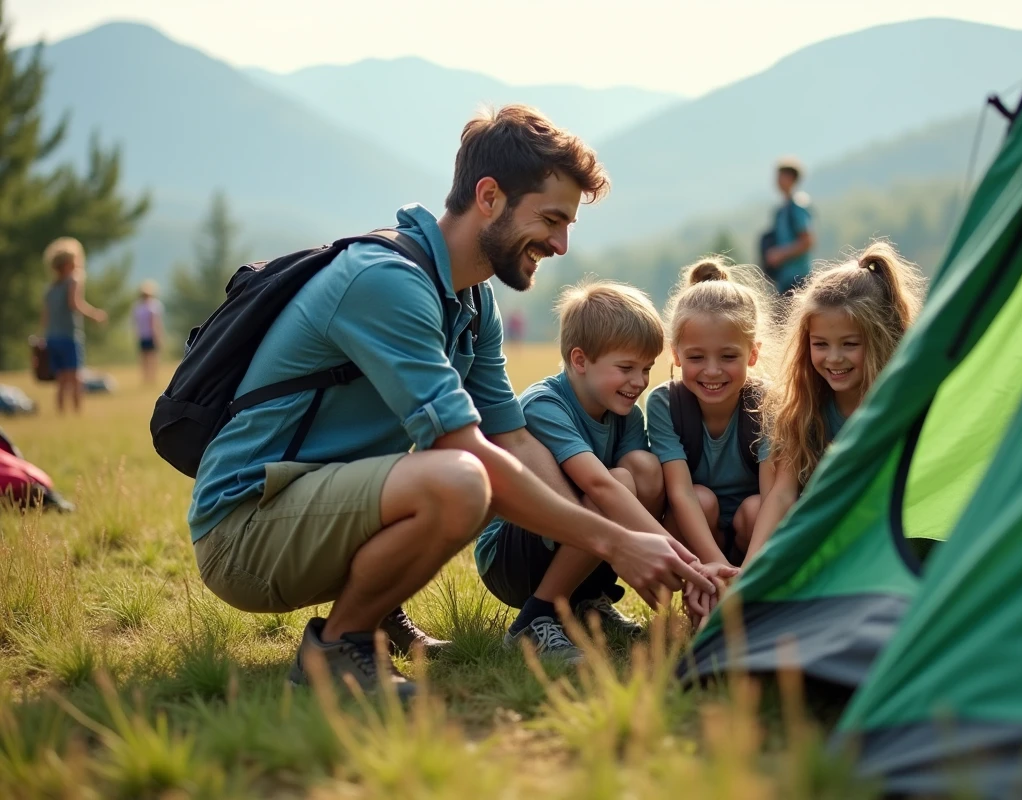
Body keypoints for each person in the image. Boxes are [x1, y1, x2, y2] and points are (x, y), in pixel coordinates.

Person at [186, 105, 716, 696]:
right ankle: (338, 652)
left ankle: (375, 615)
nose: (562, 244)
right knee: (464, 478)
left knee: (483, 469)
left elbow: (511, 440)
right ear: (489, 196)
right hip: (245, 530)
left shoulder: (472, 302)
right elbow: (471, 454)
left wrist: (667, 553)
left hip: (318, 507)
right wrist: (614, 542)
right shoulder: (385, 282)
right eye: (550, 219)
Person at [476, 280, 713, 662]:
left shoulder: (626, 415)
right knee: (616, 482)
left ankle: (586, 601)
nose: (639, 382)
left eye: (647, 369)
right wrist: (686, 563)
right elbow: (599, 487)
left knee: (645, 470)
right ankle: (535, 618)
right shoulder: (544, 404)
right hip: (511, 555)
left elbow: (643, 490)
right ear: (580, 360)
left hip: (579, 538)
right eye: (626, 368)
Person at [744, 241, 926, 563]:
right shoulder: (804, 405)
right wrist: (748, 572)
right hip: (823, 543)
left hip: (888, 540)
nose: (834, 358)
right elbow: (783, 494)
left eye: (850, 344)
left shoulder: (906, 402)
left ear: (881, 339)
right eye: (820, 344)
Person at [646, 257, 775, 587]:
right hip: (698, 533)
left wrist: (745, 575)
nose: (713, 370)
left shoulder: (768, 401)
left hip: (757, 537)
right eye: (696, 357)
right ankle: (703, 587)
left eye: (728, 356)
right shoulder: (665, 403)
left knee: (756, 508)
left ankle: (758, 589)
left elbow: (774, 496)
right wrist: (717, 568)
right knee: (701, 498)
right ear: (676, 355)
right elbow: (681, 493)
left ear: (753, 354)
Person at [40, 237, 107, 415]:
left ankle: (61, 413)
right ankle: (77, 413)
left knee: (61, 379)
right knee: (76, 377)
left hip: (52, 337)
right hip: (69, 336)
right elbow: (75, 303)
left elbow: (45, 316)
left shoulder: (50, 287)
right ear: (70, 263)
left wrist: (43, 336)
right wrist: (95, 315)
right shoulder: (74, 281)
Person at [761, 157, 815, 294]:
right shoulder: (782, 209)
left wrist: (780, 254)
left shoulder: (797, 205)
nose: (777, 180)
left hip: (798, 278)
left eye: (780, 176)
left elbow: (807, 241)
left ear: (790, 177)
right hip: (783, 279)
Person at [133, 280, 165, 386]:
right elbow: (156, 323)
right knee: (152, 357)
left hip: (143, 335)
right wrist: (158, 336)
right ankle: (151, 377)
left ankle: (147, 377)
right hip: (151, 335)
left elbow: (136, 322)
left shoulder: (138, 307)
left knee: (145, 357)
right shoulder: (154, 306)